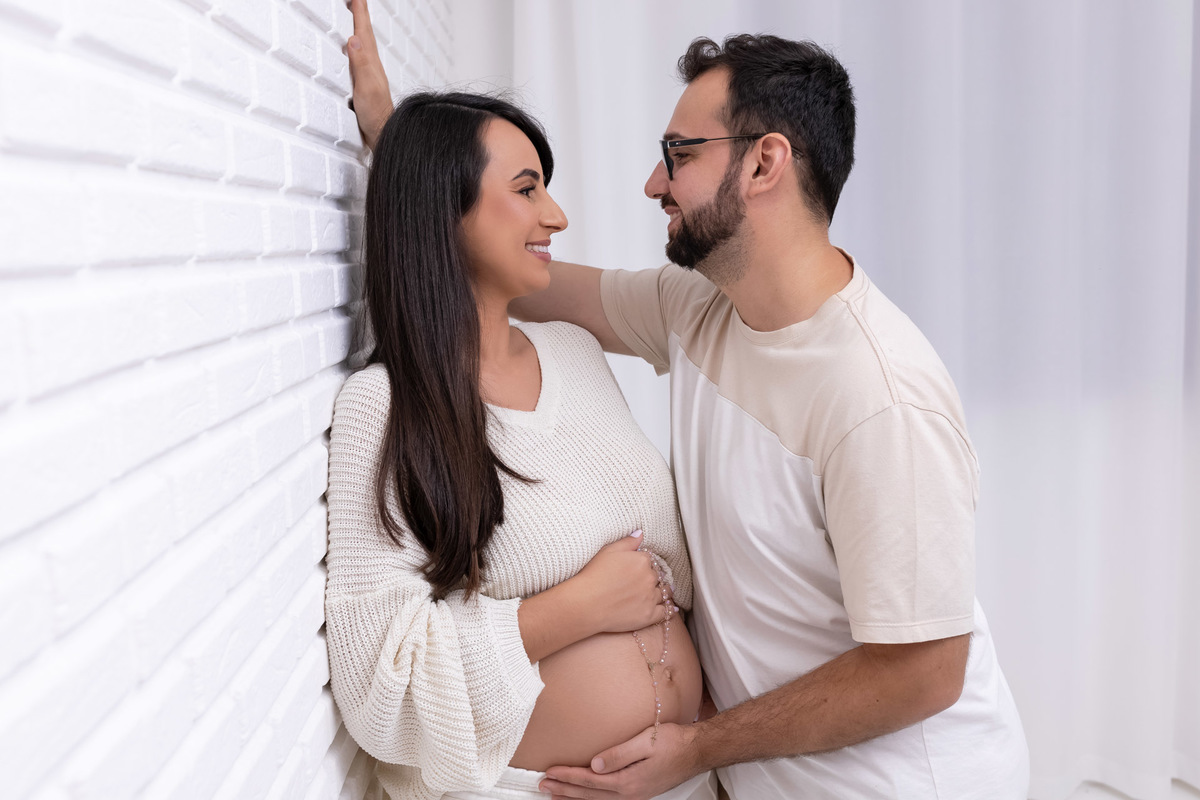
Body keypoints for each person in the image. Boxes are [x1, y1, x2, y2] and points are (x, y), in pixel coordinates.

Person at [345, 7, 1029, 800]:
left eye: (679, 154)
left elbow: (925, 671)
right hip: (757, 777)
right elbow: (516, 273)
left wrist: (700, 745)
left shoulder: (881, 399)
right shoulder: (701, 310)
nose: (653, 182)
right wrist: (407, 154)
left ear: (764, 164)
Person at [327, 22, 720, 800]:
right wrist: (573, 609)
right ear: (444, 209)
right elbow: (379, 680)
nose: (557, 216)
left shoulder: (573, 352)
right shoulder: (387, 407)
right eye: (527, 188)